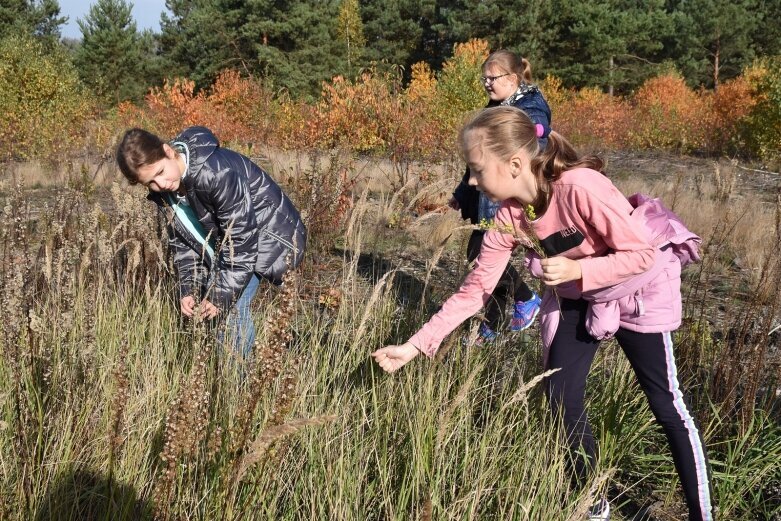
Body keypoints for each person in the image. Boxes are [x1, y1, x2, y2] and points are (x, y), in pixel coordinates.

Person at [372, 107, 713, 520]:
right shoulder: (509, 216)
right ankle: (595, 505)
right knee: (559, 398)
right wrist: (415, 345)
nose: (473, 181)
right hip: (579, 298)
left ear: (515, 164)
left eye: (477, 169)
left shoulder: (580, 187)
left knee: (666, 404)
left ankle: (701, 513)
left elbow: (641, 255)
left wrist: (580, 269)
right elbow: (476, 290)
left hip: (639, 291)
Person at [116, 126, 306, 356]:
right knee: (217, 312)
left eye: (161, 172)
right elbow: (186, 245)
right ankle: (242, 373)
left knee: (229, 311)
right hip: (230, 248)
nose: (161, 184)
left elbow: (241, 242)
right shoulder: (167, 194)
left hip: (269, 238)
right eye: (151, 182)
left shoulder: (215, 173)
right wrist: (190, 289)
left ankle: (241, 385)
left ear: (168, 151)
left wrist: (218, 296)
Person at [449, 49, 550, 343]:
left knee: (480, 254)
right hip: (487, 196)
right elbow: (479, 158)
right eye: (484, 79)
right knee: (488, 258)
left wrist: (530, 130)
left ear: (513, 78)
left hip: (506, 197)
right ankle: (490, 325)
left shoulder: (531, 104)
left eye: (492, 78)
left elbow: (538, 133)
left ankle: (526, 298)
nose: (487, 84)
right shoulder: (496, 104)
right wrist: (462, 191)